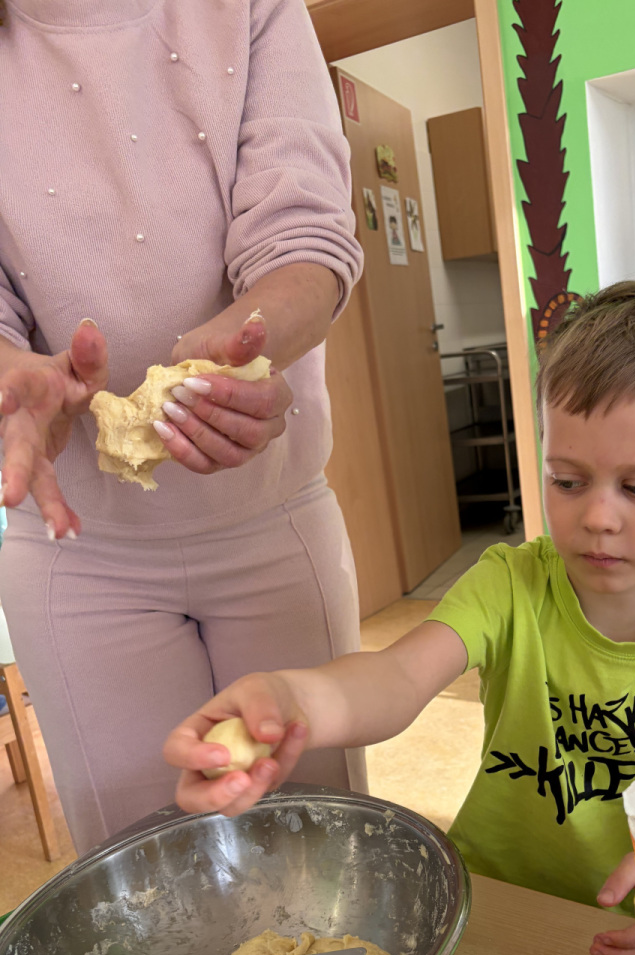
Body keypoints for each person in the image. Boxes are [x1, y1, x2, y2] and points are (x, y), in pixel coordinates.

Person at [164, 282, 635, 955]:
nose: (598, 517)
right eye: (567, 481)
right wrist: (291, 699)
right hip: (494, 903)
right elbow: (395, 677)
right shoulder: (510, 583)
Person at [0, 0, 365, 854]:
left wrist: (247, 348)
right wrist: (13, 376)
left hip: (272, 518)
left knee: (316, 849)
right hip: (76, 550)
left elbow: (304, 232)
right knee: (143, 866)